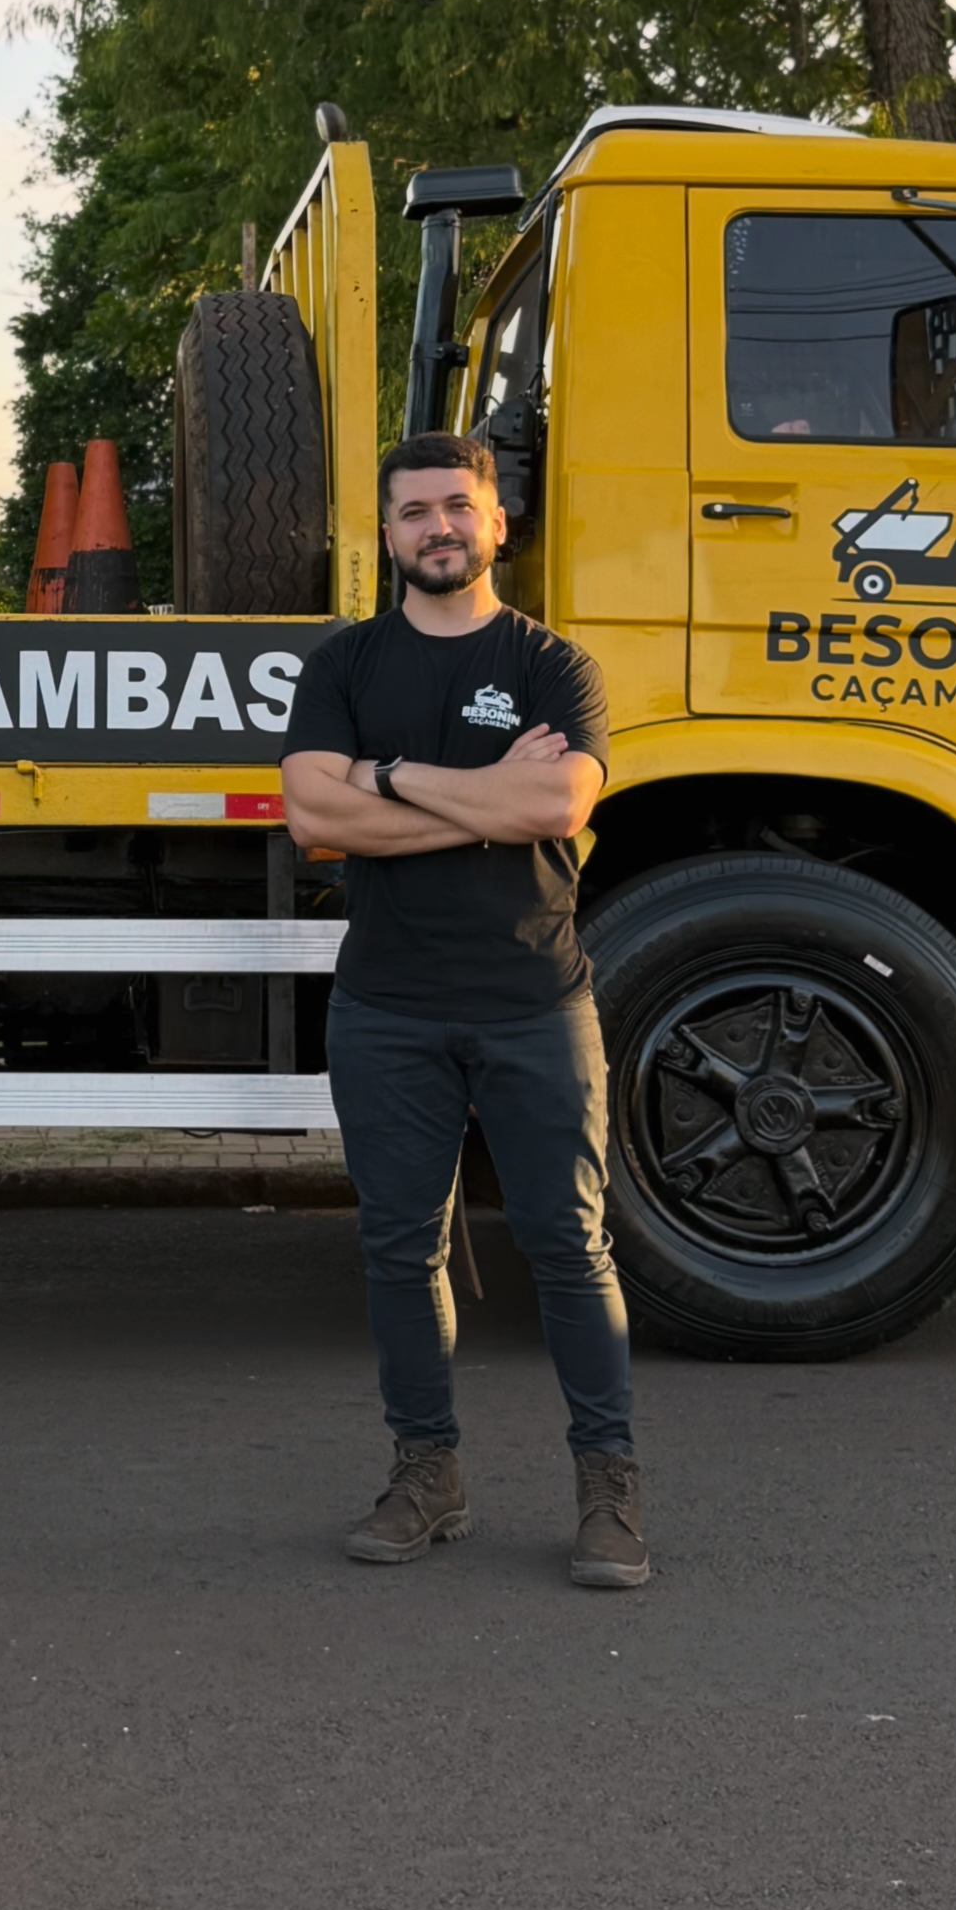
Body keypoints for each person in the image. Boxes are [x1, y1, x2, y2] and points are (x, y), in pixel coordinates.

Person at [279, 431, 646, 1589]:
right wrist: (485, 799)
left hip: (533, 999)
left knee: (566, 1247)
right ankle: (425, 1476)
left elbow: (558, 799)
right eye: (412, 512)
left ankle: (608, 1490)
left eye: (455, 507)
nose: (435, 527)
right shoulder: (343, 664)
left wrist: (384, 777)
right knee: (398, 1249)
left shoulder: (553, 666)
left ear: (495, 523)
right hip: (386, 1005)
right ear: (384, 535)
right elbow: (310, 818)